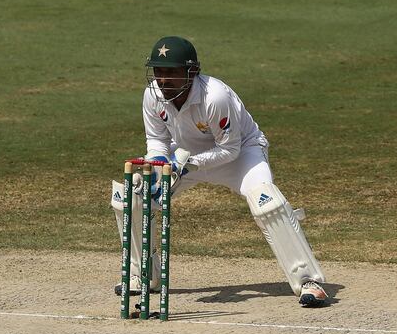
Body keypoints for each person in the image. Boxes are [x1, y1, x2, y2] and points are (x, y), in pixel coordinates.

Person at [112, 36, 327, 308]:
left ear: (191, 73)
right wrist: (157, 167)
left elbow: (229, 149)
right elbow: (156, 141)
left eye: (171, 72)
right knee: (132, 194)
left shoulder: (215, 96)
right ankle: (142, 276)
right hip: (184, 157)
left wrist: (185, 165)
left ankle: (309, 281)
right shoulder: (152, 95)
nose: (162, 80)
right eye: (158, 71)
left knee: (267, 202)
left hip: (239, 154)